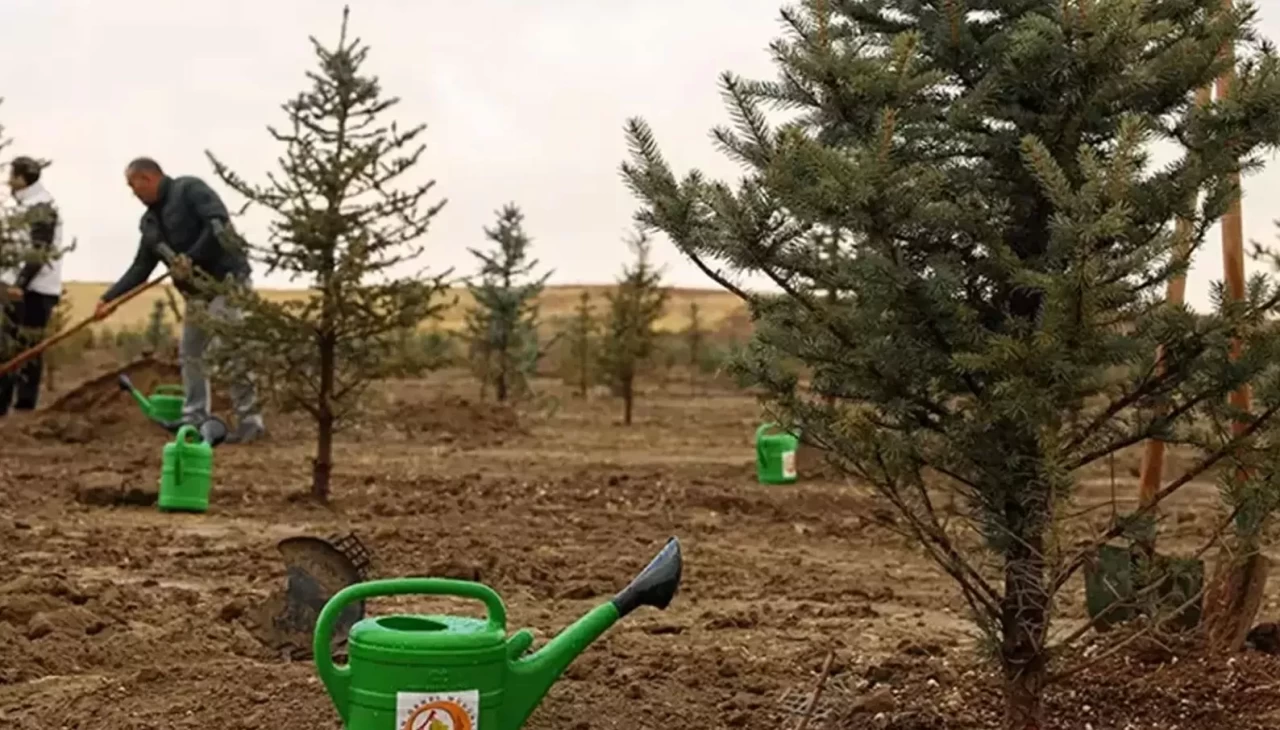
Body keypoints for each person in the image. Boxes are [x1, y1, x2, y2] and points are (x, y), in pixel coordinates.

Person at [94, 157, 266, 443]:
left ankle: (250, 422)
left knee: (231, 351)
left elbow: (218, 226)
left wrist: (192, 257)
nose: (132, 193)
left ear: (148, 178)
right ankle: (195, 418)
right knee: (191, 353)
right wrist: (110, 299)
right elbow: (141, 267)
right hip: (196, 294)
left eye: (133, 185)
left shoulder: (190, 190)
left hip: (227, 282)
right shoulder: (149, 223)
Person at [0, 156, 63, 416]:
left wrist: (21, 284)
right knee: (6, 345)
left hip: (35, 291)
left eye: (12, 174)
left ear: (22, 177)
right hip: (13, 286)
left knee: (28, 346)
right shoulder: (23, 205)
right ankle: (2, 404)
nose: (8, 180)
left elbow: (40, 250)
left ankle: (25, 407)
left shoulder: (41, 206)